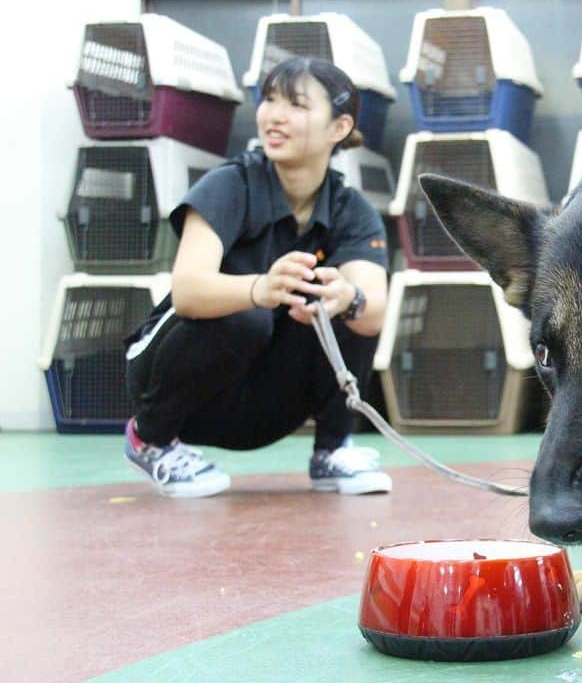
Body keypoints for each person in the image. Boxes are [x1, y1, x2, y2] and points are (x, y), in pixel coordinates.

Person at [123, 57, 391, 498]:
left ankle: (331, 449)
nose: (275, 115)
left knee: (347, 310)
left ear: (339, 128)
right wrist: (259, 288)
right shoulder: (228, 185)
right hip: (178, 388)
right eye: (269, 100)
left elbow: (373, 310)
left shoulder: (352, 210)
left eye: (297, 105)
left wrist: (346, 297)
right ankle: (149, 439)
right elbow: (187, 291)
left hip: (264, 410)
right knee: (248, 315)